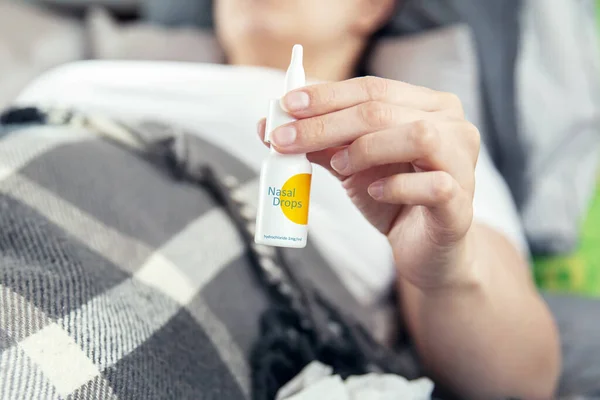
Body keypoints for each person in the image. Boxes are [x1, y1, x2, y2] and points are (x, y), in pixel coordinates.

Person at [0, 0, 573, 399]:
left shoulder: (420, 145)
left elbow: (523, 380)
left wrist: (448, 268)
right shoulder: (87, 80)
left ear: (371, 6)